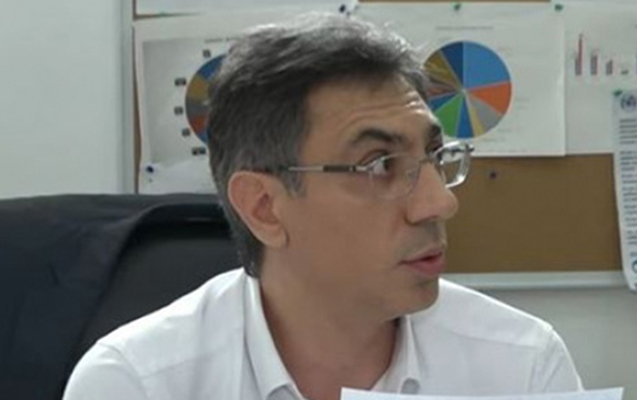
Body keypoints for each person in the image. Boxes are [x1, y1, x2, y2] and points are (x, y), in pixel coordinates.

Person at [63, 12, 582, 400]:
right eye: (379, 165)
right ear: (264, 208)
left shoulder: (521, 368)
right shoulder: (135, 384)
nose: (438, 203)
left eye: (433, 156)